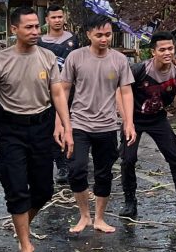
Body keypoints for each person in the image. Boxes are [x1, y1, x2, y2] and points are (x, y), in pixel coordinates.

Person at [0, 7, 58, 252]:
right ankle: (25, 246)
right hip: (10, 129)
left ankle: (22, 223)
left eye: (38, 26)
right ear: (14, 30)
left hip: (42, 126)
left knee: (44, 190)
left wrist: (65, 127)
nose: (36, 32)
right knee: (15, 189)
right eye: (29, 27)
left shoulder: (48, 57)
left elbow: (57, 94)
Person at [51, 15, 134, 235]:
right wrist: (60, 122)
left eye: (107, 34)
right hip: (79, 123)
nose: (104, 39)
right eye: (99, 35)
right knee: (77, 170)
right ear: (88, 35)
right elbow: (63, 90)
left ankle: (99, 218)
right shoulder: (75, 58)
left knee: (104, 173)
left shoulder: (119, 60)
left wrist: (129, 122)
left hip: (107, 126)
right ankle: (84, 215)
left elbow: (126, 92)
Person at [120, 32, 176, 219]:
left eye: (170, 48)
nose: (167, 52)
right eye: (162, 49)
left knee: (175, 157)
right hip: (134, 120)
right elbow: (121, 93)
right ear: (153, 52)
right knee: (128, 160)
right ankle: (130, 202)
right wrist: (127, 122)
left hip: (158, 119)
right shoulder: (139, 70)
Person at [39, 6, 77, 185]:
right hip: (46, 91)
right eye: (53, 17)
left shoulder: (73, 40)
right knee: (52, 128)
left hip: (71, 91)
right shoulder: (40, 42)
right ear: (47, 20)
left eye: (60, 16)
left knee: (70, 125)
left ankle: (71, 161)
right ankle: (60, 164)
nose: (57, 20)